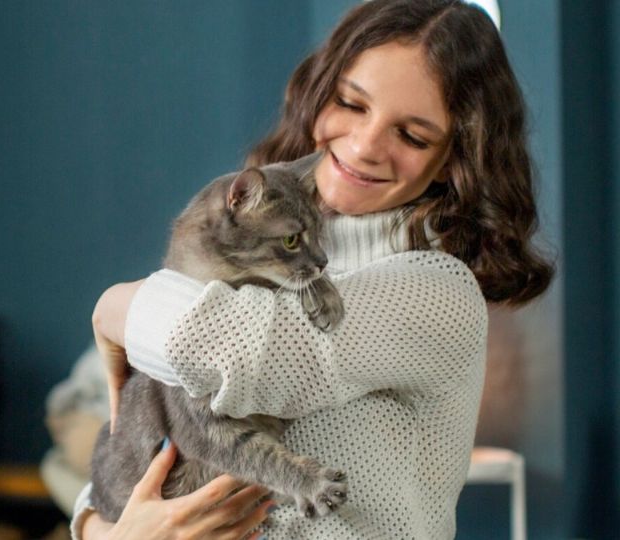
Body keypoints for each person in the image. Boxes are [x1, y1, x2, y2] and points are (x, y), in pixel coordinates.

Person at [77, 0, 554, 538]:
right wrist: (114, 534)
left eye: (413, 135)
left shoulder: (438, 294)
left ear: (453, 157)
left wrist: (115, 303)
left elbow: (235, 353)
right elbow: (111, 472)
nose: (365, 145)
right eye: (352, 104)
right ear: (318, 93)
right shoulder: (252, 257)